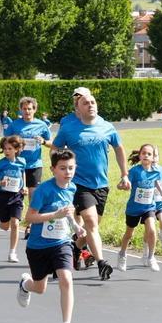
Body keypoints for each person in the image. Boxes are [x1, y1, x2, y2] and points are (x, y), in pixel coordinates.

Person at [52, 86, 129, 281]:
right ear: (77, 109)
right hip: (78, 183)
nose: (90, 105)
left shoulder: (106, 126)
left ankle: (74, 248)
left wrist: (124, 174)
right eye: (85, 103)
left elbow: (119, 148)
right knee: (91, 221)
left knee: (89, 230)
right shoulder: (69, 126)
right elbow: (55, 148)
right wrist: (60, 169)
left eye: (92, 102)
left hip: (101, 184)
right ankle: (102, 262)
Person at [16, 148, 84, 323]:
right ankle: (25, 284)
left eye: (71, 168)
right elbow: (29, 218)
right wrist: (54, 215)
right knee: (39, 288)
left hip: (61, 243)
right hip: (38, 246)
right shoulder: (44, 190)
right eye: (63, 168)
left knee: (66, 279)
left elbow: (68, 213)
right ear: (53, 169)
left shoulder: (72, 188)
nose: (67, 172)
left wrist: (77, 227)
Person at [116, 143, 162, 272]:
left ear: (153, 157)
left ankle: (151, 257)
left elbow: (157, 182)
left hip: (149, 207)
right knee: (129, 234)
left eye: (149, 154)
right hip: (133, 208)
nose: (146, 156)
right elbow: (119, 185)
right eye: (144, 153)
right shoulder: (135, 171)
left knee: (152, 230)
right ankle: (122, 254)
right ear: (140, 155)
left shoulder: (155, 172)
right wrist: (123, 186)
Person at [0, 135, 27, 263]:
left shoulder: (22, 162)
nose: (7, 151)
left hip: (17, 196)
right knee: (6, 227)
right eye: (5, 148)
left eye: (10, 148)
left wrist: (25, 187)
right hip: (3, 196)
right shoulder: (0, 164)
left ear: (16, 149)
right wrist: (0, 183)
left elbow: (23, 174)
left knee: (15, 223)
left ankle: (12, 253)